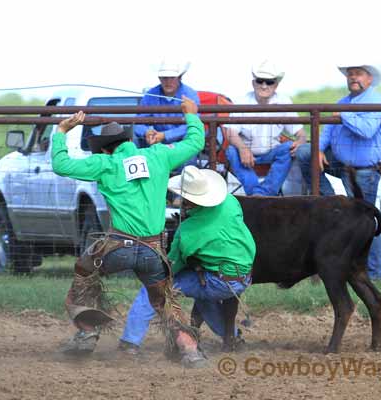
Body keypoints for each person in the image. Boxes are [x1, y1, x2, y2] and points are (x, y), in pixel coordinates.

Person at [51, 96, 207, 368]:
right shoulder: (159, 155)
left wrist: (62, 131)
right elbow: (196, 142)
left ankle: (87, 331)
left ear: (106, 149)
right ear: (128, 142)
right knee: (164, 300)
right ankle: (190, 351)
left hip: (117, 248)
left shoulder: (105, 164)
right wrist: (191, 115)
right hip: (152, 251)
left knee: (84, 272)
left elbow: (61, 165)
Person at [119, 166, 256, 355]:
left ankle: (129, 342)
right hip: (244, 275)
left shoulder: (188, 232)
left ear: (189, 201)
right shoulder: (231, 202)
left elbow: (172, 267)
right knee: (203, 296)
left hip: (218, 281)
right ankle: (231, 335)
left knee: (153, 288)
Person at [296, 63, 381, 280]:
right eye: (350, 74)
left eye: (358, 74)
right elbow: (328, 129)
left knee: (366, 220)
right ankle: (332, 200)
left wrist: (343, 114)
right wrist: (318, 148)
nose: (353, 77)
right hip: (343, 163)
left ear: (369, 79)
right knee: (305, 153)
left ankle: (374, 273)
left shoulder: (376, 100)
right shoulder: (343, 102)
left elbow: (367, 130)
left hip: (364, 169)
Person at [224, 60, 307, 196]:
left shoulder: (284, 101)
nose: (264, 86)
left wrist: (300, 141)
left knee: (289, 147)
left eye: (269, 82)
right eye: (260, 81)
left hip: (271, 152)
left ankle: (260, 194)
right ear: (253, 83)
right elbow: (231, 132)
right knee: (232, 151)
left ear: (276, 85)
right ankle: (260, 195)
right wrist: (243, 148)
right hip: (246, 153)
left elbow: (300, 132)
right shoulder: (241, 101)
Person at [134, 60, 200, 148]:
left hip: (182, 143)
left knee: (189, 140)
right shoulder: (150, 94)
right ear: (159, 79)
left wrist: (165, 135)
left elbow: (192, 124)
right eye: (164, 77)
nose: (168, 82)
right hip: (158, 142)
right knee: (137, 141)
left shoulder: (190, 94)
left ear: (179, 78)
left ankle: (189, 163)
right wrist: (146, 132)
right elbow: (139, 122)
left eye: (172, 77)